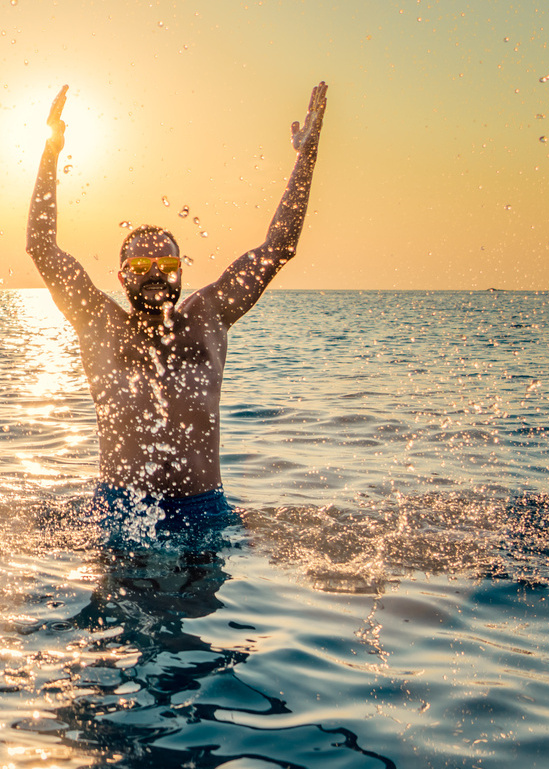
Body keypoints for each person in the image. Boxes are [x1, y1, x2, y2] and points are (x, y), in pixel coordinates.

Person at [24, 82, 328, 536]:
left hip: (203, 511)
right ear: (123, 274)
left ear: (180, 272)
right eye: (141, 265)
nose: (155, 274)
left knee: (205, 603)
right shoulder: (99, 322)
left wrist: (306, 157)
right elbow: (41, 248)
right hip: (118, 511)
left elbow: (279, 247)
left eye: (166, 264)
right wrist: (50, 151)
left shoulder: (209, 316)